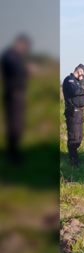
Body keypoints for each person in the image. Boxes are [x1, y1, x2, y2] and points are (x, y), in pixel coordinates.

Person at [1, 35, 31, 164]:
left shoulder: (15, 56)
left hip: (18, 95)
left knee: (18, 126)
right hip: (13, 95)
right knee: (14, 127)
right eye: (24, 47)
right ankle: (13, 157)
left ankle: (15, 154)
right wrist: (27, 69)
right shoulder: (9, 55)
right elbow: (15, 70)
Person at [62, 64, 84, 167]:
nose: (83, 78)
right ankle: (73, 161)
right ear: (80, 71)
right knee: (74, 137)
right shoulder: (69, 80)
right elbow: (75, 91)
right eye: (83, 75)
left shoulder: (77, 83)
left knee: (79, 137)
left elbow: (78, 94)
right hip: (73, 112)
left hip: (79, 113)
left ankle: (75, 157)